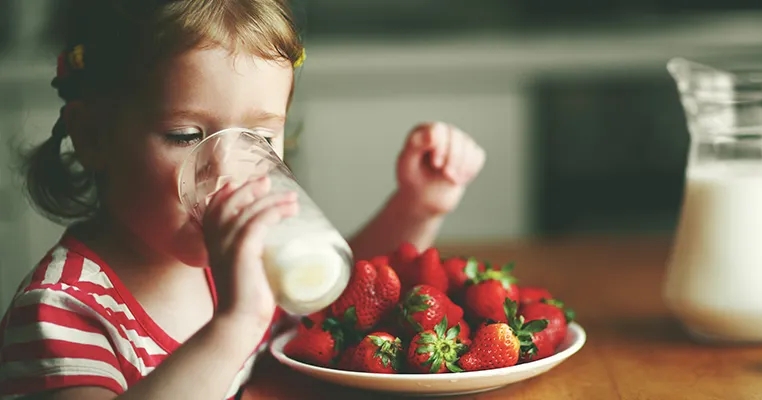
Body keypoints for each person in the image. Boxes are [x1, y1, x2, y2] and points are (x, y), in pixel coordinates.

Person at [0, 1, 485, 399]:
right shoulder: (60, 314)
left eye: (258, 136)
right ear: (95, 137)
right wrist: (236, 325)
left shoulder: (233, 260)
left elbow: (344, 295)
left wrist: (418, 205)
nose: (228, 168)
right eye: (187, 135)